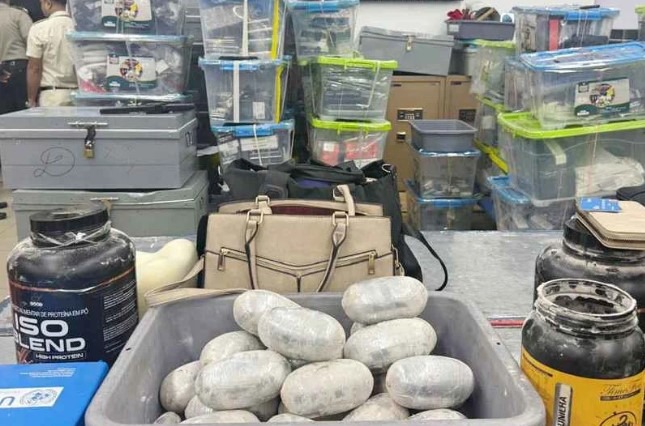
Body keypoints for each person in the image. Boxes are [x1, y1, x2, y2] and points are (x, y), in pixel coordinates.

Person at [26, 0, 76, 108]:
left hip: (51, 96)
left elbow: (34, 68)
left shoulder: (39, 28)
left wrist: (31, 99)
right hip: (80, 95)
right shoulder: (78, 28)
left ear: (48, 4)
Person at [0, 0, 33, 114]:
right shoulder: (18, 15)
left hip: (1, 71)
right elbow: (32, 43)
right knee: (22, 115)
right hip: (19, 69)